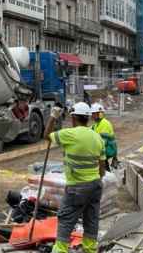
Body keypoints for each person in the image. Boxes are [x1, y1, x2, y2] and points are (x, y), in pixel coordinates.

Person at [44, 102, 105, 253]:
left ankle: (60, 251)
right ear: (88, 118)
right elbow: (102, 168)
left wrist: (53, 117)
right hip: (95, 185)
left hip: (77, 187)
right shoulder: (97, 137)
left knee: (65, 221)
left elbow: (46, 136)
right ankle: (90, 250)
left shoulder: (69, 134)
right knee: (91, 220)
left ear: (73, 117)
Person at [91, 103, 118, 169]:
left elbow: (103, 143)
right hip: (103, 153)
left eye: (93, 114)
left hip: (106, 152)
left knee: (103, 171)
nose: (92, 116)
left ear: (99, 114)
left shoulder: (104, 123)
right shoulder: (96, 124)